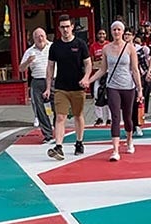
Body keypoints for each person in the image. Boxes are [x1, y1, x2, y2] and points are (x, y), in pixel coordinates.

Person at [89, 21, 143, 161]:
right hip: (112, 86)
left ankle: (130, 140)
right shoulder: (106, 49)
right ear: (111, 31)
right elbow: (102, 69)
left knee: (128, 117)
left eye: (119, 30)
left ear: (123, 32)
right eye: (114, 30)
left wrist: (140, 89)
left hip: (128, 86)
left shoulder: (130, 48)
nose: (117, 32)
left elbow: (135, 70)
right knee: (115, 117)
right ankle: (115, 150)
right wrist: (88, 80)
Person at [45, 14, 92, 161]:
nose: (65, 30)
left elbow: (88, 64)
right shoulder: (55, 46)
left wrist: (86, 78)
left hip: (77, 87)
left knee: (78, 115)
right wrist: (48, 87)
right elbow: (50, 67)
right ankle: (59, 146)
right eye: (62, 27)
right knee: (60, 117)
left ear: (72, 27)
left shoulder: (80, 44)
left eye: (67, 26)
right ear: (59, 29)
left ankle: (79, 142)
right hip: (61, 87)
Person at [19, 27, 55, 144]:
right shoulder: (30, 51)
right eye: (37, 37)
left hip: (54, 80)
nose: (40, 39)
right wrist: (28, 61)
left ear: (45, 36)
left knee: (58, 107)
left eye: (42, 36)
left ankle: (58, 130)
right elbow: (21, 69)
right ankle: (47, 133)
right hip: (37, 80)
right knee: (39, 108)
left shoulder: (53, 47)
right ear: (33, 39)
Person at [125, 28, 150, 136]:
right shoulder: (120, 48)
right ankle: (129, 126)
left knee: (137, 103)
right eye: (125, 34)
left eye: (129, 34)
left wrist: (145, 75)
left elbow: (143, 64)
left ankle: (138, 125)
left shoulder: (139, 49)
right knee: (127, 105)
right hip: (124, 79)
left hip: (137, 78)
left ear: (133, 36)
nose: (126, 36)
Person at [90, 28, 111, 126]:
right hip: (97, 73)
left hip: (108, 73)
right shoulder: (93, 46)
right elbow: (91, 59)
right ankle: (99, 117)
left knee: (109, 95)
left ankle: (109, 118)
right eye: (100, 34)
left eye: (103, 33)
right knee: (96, 94)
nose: (101, 35)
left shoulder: (109, 45)